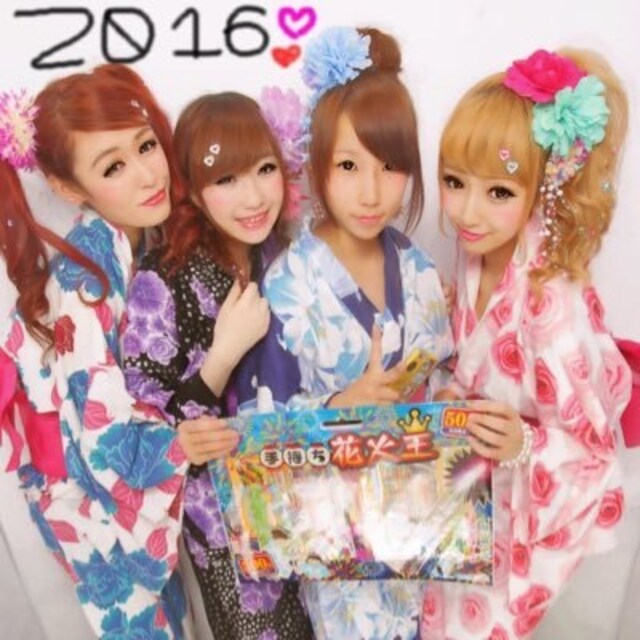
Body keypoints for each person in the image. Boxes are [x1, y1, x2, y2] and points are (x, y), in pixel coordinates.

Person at [0, 65, 237, 639]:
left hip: (100, 486)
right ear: (68, 188)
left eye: (146, 146)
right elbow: (100, 435)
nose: (147, 174)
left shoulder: (123, 243)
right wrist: (178, 444)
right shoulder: (86, 282)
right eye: (113, 167)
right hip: (86, 494)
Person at [420, 48, 631, 639]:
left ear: (540, 189)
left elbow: (593, 454)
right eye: (455, 182)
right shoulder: (475, 256)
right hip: (458, 500)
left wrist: (525, 442)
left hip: (509, 515)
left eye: (499, 192)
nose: (467, 212)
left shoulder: (552, 303)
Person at [254, 26, 454, 640]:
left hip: (423, 528)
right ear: (316, 164)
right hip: (342, 547)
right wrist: (343, 404)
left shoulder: (418, 268)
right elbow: (263, 434)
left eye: (390, 166)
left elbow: (443, 380)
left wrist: (450, 405)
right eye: (348, 165)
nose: (371, 192)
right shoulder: (289, 283)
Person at [121, 91, 314, 640]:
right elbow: (142, 427)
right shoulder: (163, 277)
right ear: (193, 189)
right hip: (232, 531)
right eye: (226, 179)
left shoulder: (280, 255)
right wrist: (221, 359)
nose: (253, 197)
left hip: (309, 498)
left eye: (265, 169)